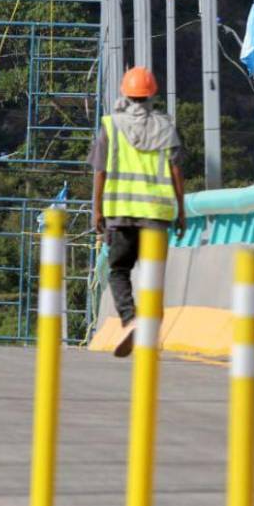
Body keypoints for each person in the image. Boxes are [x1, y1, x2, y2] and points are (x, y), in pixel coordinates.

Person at [90, 67, 186, 357]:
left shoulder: (110, 126)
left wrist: (97, 210)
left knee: (119, 270)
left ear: (125, 93)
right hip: (156, 215)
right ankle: (150, 332)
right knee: (152, 277)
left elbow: (100, 171)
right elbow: (177, 171)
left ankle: (130, 319)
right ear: (152, 94)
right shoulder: (167, 127)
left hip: (120, 213)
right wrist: (181, 211)